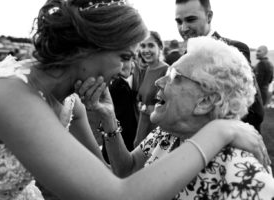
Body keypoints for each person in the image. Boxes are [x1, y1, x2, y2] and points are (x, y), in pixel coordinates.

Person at [0, 0, 269, 199]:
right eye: (124, 56)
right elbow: (117, 193)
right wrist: (221, 130)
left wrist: (106, 117)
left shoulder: (71, 104)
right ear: (87, 48)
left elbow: (101, 174)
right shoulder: (7, 94)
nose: (128, 69)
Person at [90, 36, 274, 199]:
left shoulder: (246, 180)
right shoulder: (167, 134)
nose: (158, 82)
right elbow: (127, 170)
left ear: (206, 101)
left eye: (174, 76)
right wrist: (108, 117)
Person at [174, 0, 264, 132]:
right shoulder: (183, 58)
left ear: (209, 16)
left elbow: (253, 112)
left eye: (191, 20)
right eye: (179, 21)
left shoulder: (233, 50)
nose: (183, 28)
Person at [134, 31, 169, 147]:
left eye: (150, 45)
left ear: (159, 47)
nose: (146, 50)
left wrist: (147, 107)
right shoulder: (146, 69)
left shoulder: (166, 70)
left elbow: (168, 105)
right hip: (141, 124)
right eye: (143, 46)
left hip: (155, 128)